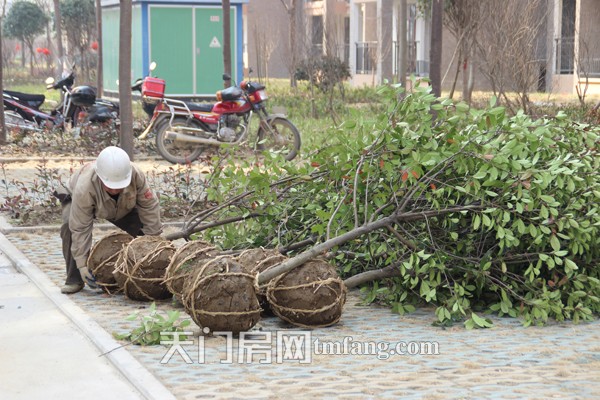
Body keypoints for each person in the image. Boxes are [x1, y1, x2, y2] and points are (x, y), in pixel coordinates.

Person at [55, 146, 163, 294]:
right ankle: (75, 278)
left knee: (143, 229)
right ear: (100, 177)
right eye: (110, 187)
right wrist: (82, 264)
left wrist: (154, 244)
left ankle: (140, 272)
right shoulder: (85, 186)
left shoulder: (135, 174)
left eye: (118, 186)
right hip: (76, 199)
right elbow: (80, 227)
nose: (114, 190)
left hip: (123, 205)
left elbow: (149, 207)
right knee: (69, 225)